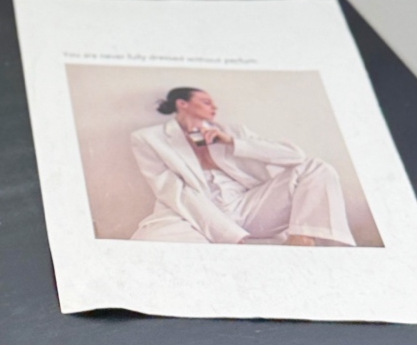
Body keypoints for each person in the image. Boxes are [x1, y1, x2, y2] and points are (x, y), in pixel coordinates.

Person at [128, 87, 354, 245]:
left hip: (246, 205)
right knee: (150, 241)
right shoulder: (148, 138)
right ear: (182, 104)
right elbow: (173, 190)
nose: (214, 106)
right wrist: (228, 234)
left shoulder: (233, 131)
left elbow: (295, 156)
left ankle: (302, 239)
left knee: (316, 167)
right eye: (206, 102)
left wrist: (232, 142)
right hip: (193, 211)